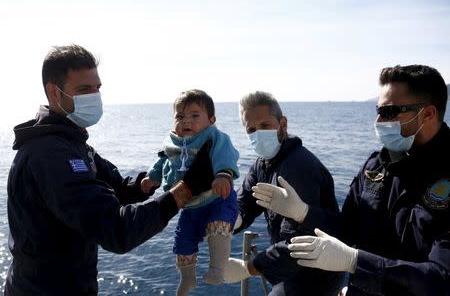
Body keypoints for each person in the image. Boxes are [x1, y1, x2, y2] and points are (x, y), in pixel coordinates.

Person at [5, 44, 216, 296]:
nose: (94, 96)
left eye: (97, 88)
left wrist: (152, 179)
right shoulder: (49, 155)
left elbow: (119, 188)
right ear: (54, 92)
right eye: (84, 89)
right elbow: (115, 229)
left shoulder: (73, 144)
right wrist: (185, 190)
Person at [252, 65, 450, 295]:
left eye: (389, 111)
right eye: (378, 110)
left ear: (427, 114)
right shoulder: (376, 167)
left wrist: (356, 262)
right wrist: (303, 212)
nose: (378, 120)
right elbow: (346, 229)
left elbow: (441, 279)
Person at [224, 91, 344, 295]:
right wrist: (228, 220)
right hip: (286, 269)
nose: (257, 134)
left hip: (316, 273)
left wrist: (249, 268)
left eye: (264, 125)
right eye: (251, 129)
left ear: (283, 124)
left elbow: (300, 241)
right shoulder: (262, 165)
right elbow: (244, 203)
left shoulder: (299, 168)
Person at [140, 89, 239, 295]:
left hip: (216, 196)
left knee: (217, 225)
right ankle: (187, 279)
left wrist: (223, 174)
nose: (187, 121)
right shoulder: (172, 142)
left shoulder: (213, 136)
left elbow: (225, 155)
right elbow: (162, 161)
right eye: (180, 116)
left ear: (211, 120)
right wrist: (153, 177)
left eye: (195, 116)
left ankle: (217, 268)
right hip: (190, 204)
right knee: (183, 240)